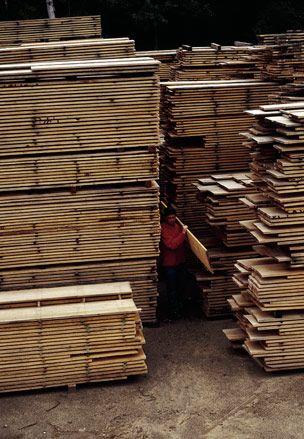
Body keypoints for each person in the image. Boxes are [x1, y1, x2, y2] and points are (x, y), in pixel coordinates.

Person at [160, 206, 188, 319]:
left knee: (181, 286)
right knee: (171, 289)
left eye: (173, 217)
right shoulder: (163, 229)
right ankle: (173, 311)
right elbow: (172, 245)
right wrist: (183, 234)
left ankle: (180, 308)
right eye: (169, 218)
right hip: (169, 264)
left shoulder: (178, 226)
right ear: (165, 218)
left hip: (180, 262)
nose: (172, 219)